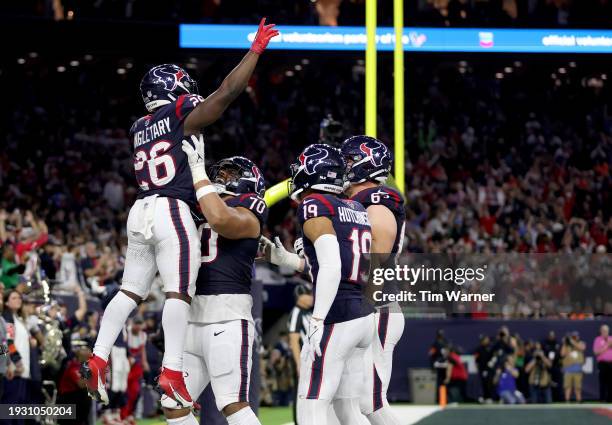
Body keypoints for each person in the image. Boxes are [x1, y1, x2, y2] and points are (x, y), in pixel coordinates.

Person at [82, 17, 279, 409]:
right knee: (178, 291)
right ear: (175, 88)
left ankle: (98, 356)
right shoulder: (178, 110)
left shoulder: (140, 124)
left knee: (129, 291)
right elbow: (224, 95)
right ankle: (172, 371)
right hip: (172, 208)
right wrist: (254, 52)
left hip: (140, 210)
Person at [167, 133, 268, 425]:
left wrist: (198, 172)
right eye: (219, 172)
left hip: (227, 317)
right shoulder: (199, 207)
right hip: (191, 318)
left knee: (231, 404)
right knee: (174, 404)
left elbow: (222, 221)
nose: (222, 176)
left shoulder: (250, 206)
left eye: (231, 173)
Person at [289, 143, 375, 425]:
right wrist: (288, 260)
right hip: (363, 312)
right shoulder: (355, 207)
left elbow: (332, 265)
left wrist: (317, 319)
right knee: (348, 410)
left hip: (338, 313)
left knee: (311, 404)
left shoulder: (314, 204)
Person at [341, 135, 405, 425]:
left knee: (372, 402)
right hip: (362, 307)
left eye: (351, 160)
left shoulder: (377, 201)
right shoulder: (355, 202)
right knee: (344, 400)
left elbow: (374, 256)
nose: (345, 166)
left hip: (375, 308)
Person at [287, 283, 313, 425]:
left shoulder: (309, 313)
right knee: (300, 393)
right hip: (303, 360)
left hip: (311, 359)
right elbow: (294, 340)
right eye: (308, 294)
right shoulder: (297, 312)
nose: (311, 297)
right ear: (299, 296)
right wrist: (299, 364)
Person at [57, 340, 93, 425]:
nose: (89, 352)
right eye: (85, 350)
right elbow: (81, 384)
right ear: (78, 353)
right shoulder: (73, 366)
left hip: (75, 403)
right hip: (67, 403)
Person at [122, 317, 150, 421]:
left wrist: (144, 362)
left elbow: (142, 350)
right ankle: (123, 414)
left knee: (135, 391)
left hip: (136, 366)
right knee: (125, 390)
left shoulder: (143, 335)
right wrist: (128, 359)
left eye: (140, 326)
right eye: (136, 325)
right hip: (126, 364)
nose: (138, 328)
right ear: (132, 324)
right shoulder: (127, 333)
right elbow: (123, 348)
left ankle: (130, 413)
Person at [560, 332, 585, 402]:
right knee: (568, 387)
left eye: (575, 337)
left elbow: (582, 348)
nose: (574, 338)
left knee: (578, 387)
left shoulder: (580, 343)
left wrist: (572, 341)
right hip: (568, 369)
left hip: (577, 369)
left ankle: (579, 401)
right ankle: (567, 401)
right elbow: (562, 354)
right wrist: (565, 343)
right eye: (573, 337)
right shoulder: (567, 346)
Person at [593, 324, 612, 402]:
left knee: (611, 382)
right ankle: (602, 399)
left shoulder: (611, 338)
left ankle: (610, 399)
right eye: (603, 331)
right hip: (602, 363)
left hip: (611, 363)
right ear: (601, 331)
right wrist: (607, 346)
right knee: (603, 382)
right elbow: (596, 352)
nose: (605, 332)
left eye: (606, 331)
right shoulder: (598, 339)